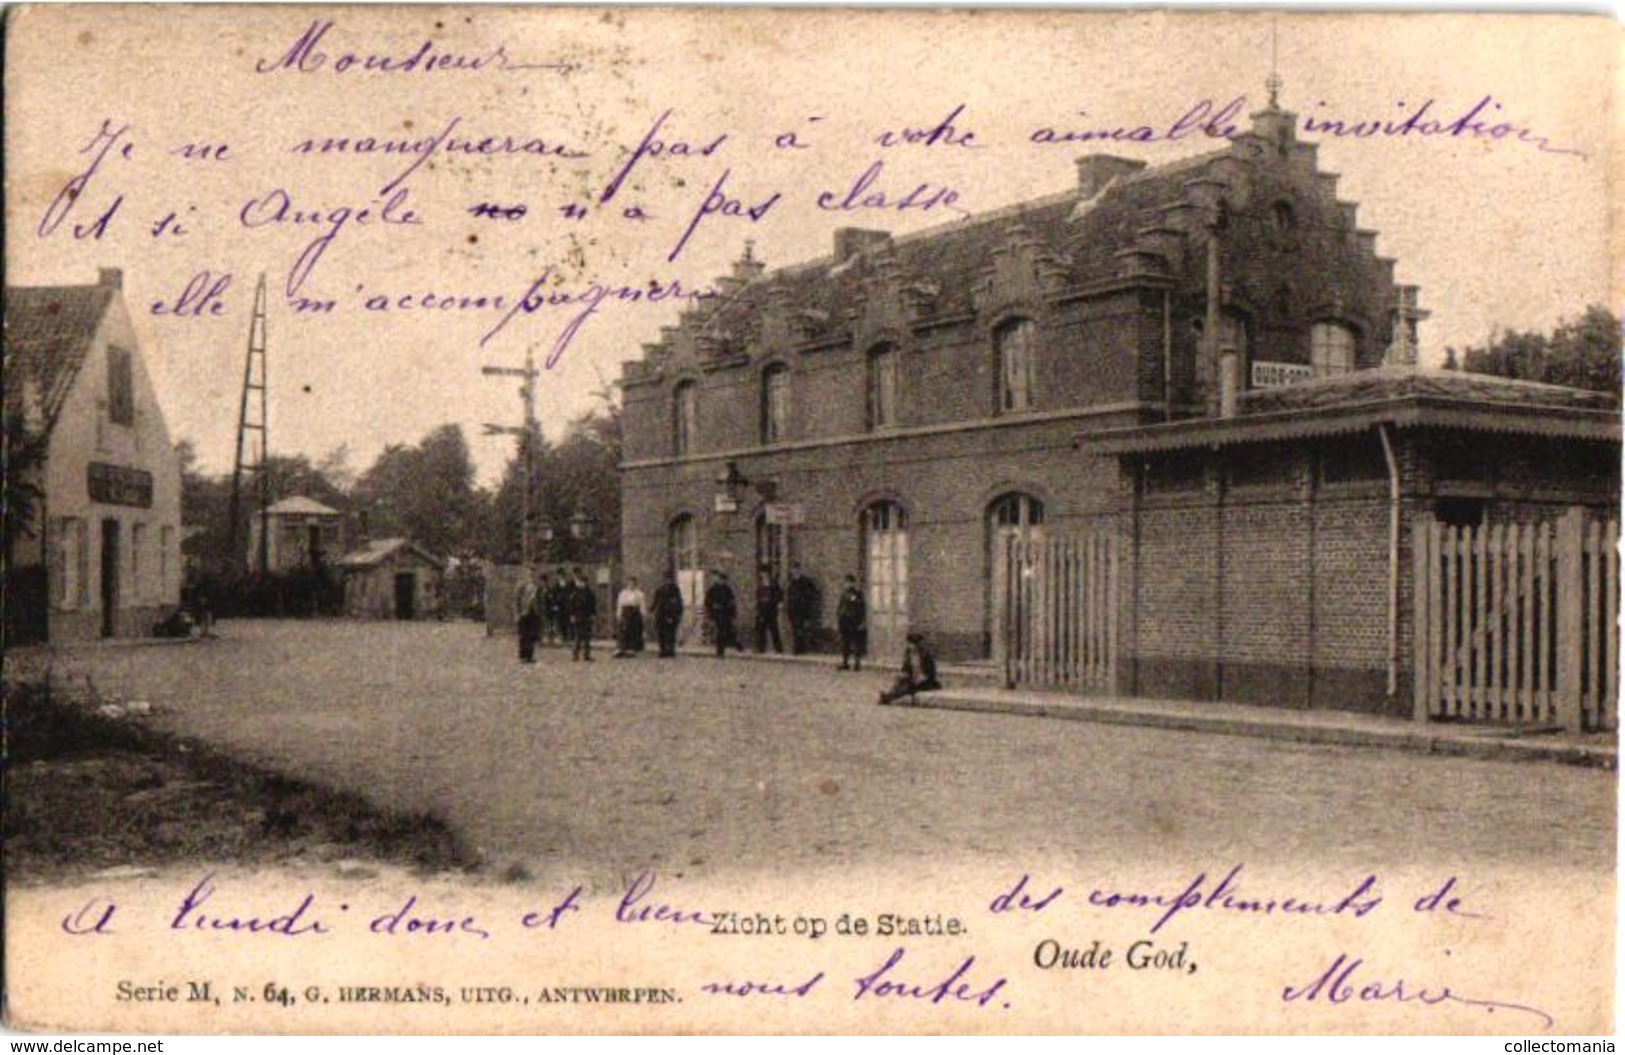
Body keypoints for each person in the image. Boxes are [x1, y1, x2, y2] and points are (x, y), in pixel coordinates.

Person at [879, 632, 942, 706]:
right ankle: (889, 695)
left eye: (912, 644)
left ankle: (888, 698)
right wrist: (903, 673)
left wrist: (922, 678)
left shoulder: (926, 655)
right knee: (900, 680)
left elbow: (931, 672)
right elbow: (905, 667)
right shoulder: (908, 653)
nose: (910, 646)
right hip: (912, 678)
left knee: (908, 687)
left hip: (925, 681)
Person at [836, 573, 867, 671]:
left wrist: (861, 621)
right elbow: (840, 607)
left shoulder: (857, 594)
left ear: (853, 583)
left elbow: (861, 608)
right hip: (844, 621)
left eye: (849, 582)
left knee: (856, 643)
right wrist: (839, 617)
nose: (847, 585)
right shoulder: (844, 594)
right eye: (846, 582)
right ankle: (845, 662)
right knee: (845, 643)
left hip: (854, 621)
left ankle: (857, 663)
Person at [704, 571, 738, 658]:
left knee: (726, 631)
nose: (721, 581)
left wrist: (733, 613)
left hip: (726, 613)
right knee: (721, 632)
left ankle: (731, 645)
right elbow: (707, 601)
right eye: (720, 579)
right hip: (717, 614)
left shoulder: (727, 589)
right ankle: (720, 651)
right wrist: (712, 607)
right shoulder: (713, 590)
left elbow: (732, 602)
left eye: (723, 580)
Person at [652, 570, 685, 658]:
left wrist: (676, 614)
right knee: (661, 633)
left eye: (669, 579)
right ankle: (662, 650)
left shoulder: (675, 589)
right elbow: (655, 601)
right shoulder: (660, 589)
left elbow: (678, 602)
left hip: (670, 614)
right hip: (660, 614)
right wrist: (652, 609)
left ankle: (670, 650)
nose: (667, 581)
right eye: (666, 579)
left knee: (670, 633)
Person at [786, 563, 818, 655]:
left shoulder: (805, 582)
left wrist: (807, 610)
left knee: (801, 630)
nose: (795, 573)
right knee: (796, 630)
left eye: (797, 571)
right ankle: (797, 649)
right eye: (793, 571)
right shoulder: (791, 583)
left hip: (802, 610)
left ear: (800, 571)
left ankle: (801, 649)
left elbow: (811, 595)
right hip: (793, 610)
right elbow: (790, 597)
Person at [614, 576, 648, 657]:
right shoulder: (623, 593)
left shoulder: (639, 594)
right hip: (625, 613)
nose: (631, 585)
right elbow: (619, 604)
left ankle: (632, 649)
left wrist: (643, 614)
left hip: (634, 614)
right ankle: (621, 649)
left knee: (633, 631)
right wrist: (619, 614)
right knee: (623, 631)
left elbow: (642, 605)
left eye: (633, 583)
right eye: (630, 583)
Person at [569, 567, 597, 661]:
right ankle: (575, 654)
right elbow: (571, 605)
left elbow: (593, 604)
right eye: (581, 582)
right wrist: (572, 615)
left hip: (587, 615)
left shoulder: (589, 592)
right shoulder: (574, 593)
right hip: (578, 615)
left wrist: (593, 614)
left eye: (584, 582)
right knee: (578, 635)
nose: (582, 584)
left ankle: (586, 655)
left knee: (587, 636)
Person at [754, 567, 784, 654]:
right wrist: (758, 610)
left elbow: (779, 596)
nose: (763, 576)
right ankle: (760, 648)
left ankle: (778, 649)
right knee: (761, 630)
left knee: (774, 630)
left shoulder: (774, 586)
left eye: (765, 574)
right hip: (762, 611)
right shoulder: (760, 587)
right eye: (762, 575)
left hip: (771, 611)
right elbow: (758, 599)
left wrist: (777, 603)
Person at [515, 568, 542, 663]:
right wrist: (517, 613)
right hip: (523, 613)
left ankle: (530, 655)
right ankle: (523, 656)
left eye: (533, 574)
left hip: (533, 613)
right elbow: (517, 601)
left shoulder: (536, 587)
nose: (532, 577)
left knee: (532, 635)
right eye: (530, 574)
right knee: (523, 635)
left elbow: (538, 601)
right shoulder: (521, 586)